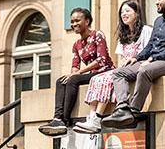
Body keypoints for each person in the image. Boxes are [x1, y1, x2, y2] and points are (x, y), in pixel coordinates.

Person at [101, 0, 165, 129]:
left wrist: (151, 60)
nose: (156, 2)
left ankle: (133, 111)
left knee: (145, 71)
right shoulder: (159, 21)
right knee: (118, 73)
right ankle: (123, 108)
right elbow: (150, 46)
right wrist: (137, 58)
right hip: (155, 62)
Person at [73, 0, 153, 134]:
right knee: (96, 78)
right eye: (122, 12)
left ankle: (98, 117)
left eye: (128, 11)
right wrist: (123, 63)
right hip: (125, 68)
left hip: (140, 65)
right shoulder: (123, 34)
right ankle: (92, 117)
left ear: (137, 13)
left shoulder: (146, 30)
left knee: (107, 78)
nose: (124, 14)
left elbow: (150, 50)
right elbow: (121, 58)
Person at [38, 7, 114, 137]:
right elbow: (75, 65)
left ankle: (65, 120)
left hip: (104, 72)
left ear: (87, 21)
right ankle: (57, 118)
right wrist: (73, 73)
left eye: (77, 20)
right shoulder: (77, 44)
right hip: (90, 74)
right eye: (72, 21)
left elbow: (101, 60)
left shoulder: (97, 35)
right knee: (61, 80)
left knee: (73, 79)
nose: (74, 24)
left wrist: (76, 74)